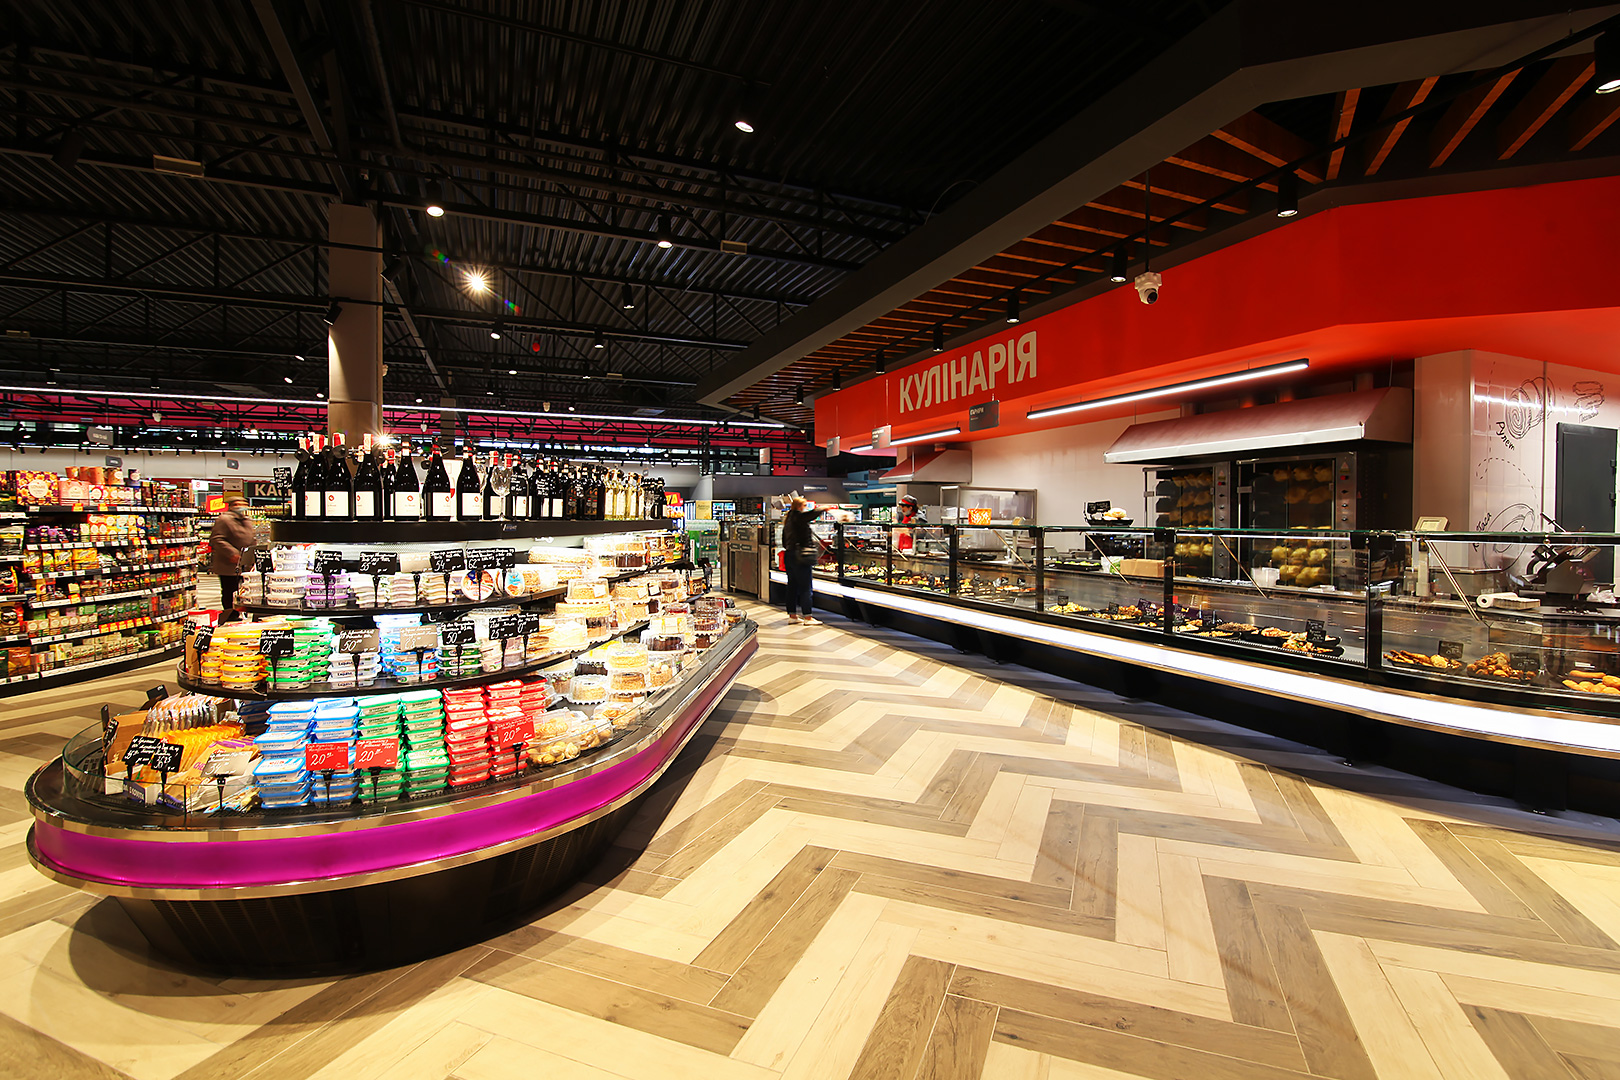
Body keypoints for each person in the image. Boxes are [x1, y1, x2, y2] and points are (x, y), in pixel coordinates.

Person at [779, 495, 825, 625]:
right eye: (804, 506)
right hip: (800, 556)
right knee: (806, 587)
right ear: (800, 506)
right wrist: (823, 508)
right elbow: (810, 515)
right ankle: (808, 617)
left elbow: (784, 541)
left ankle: (792, 615)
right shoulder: (798, 517)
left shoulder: (788, 520)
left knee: (792, 587)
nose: (805, 508)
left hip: (789, 555)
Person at [209, 496, 255, 621]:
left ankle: (240, 612)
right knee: (230, 590)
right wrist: (232, 554)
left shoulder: (246, 520)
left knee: (243, 589)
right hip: (228, 564)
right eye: (238, 504)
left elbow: (251, 539)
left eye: (244, 503)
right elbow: (217, 539)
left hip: (244, 563)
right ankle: (230, 615)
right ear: (231, 505)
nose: (241, 506)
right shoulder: (224, 519)